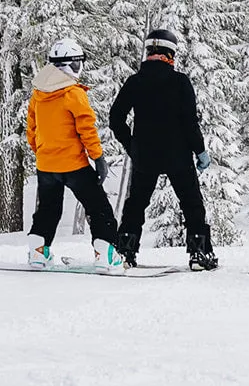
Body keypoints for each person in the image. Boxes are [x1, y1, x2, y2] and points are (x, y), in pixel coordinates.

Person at [110, 28, 218, 272]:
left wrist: (132, 146)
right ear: (171, 53)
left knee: (136, 204)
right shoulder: (180, 82)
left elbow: (115, 118)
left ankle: (125, 252)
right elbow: (190, 122)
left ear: (149, 51)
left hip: (145, 156)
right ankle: (199, 253)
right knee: (192, 204)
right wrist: (200, 151)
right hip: (178, 155)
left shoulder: (135, 82)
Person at [25, 37, 123, 271]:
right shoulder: (73, 93)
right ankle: (106, 254)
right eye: (78, 63)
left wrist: (42, 152)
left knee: (48, 209)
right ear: (71, 64)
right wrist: (98, 158)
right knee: (98, 207)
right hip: (74, 165)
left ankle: (38, 252)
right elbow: (86, 128)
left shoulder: (38, 93)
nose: (80, 68)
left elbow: (32, 129)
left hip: (46, 165)